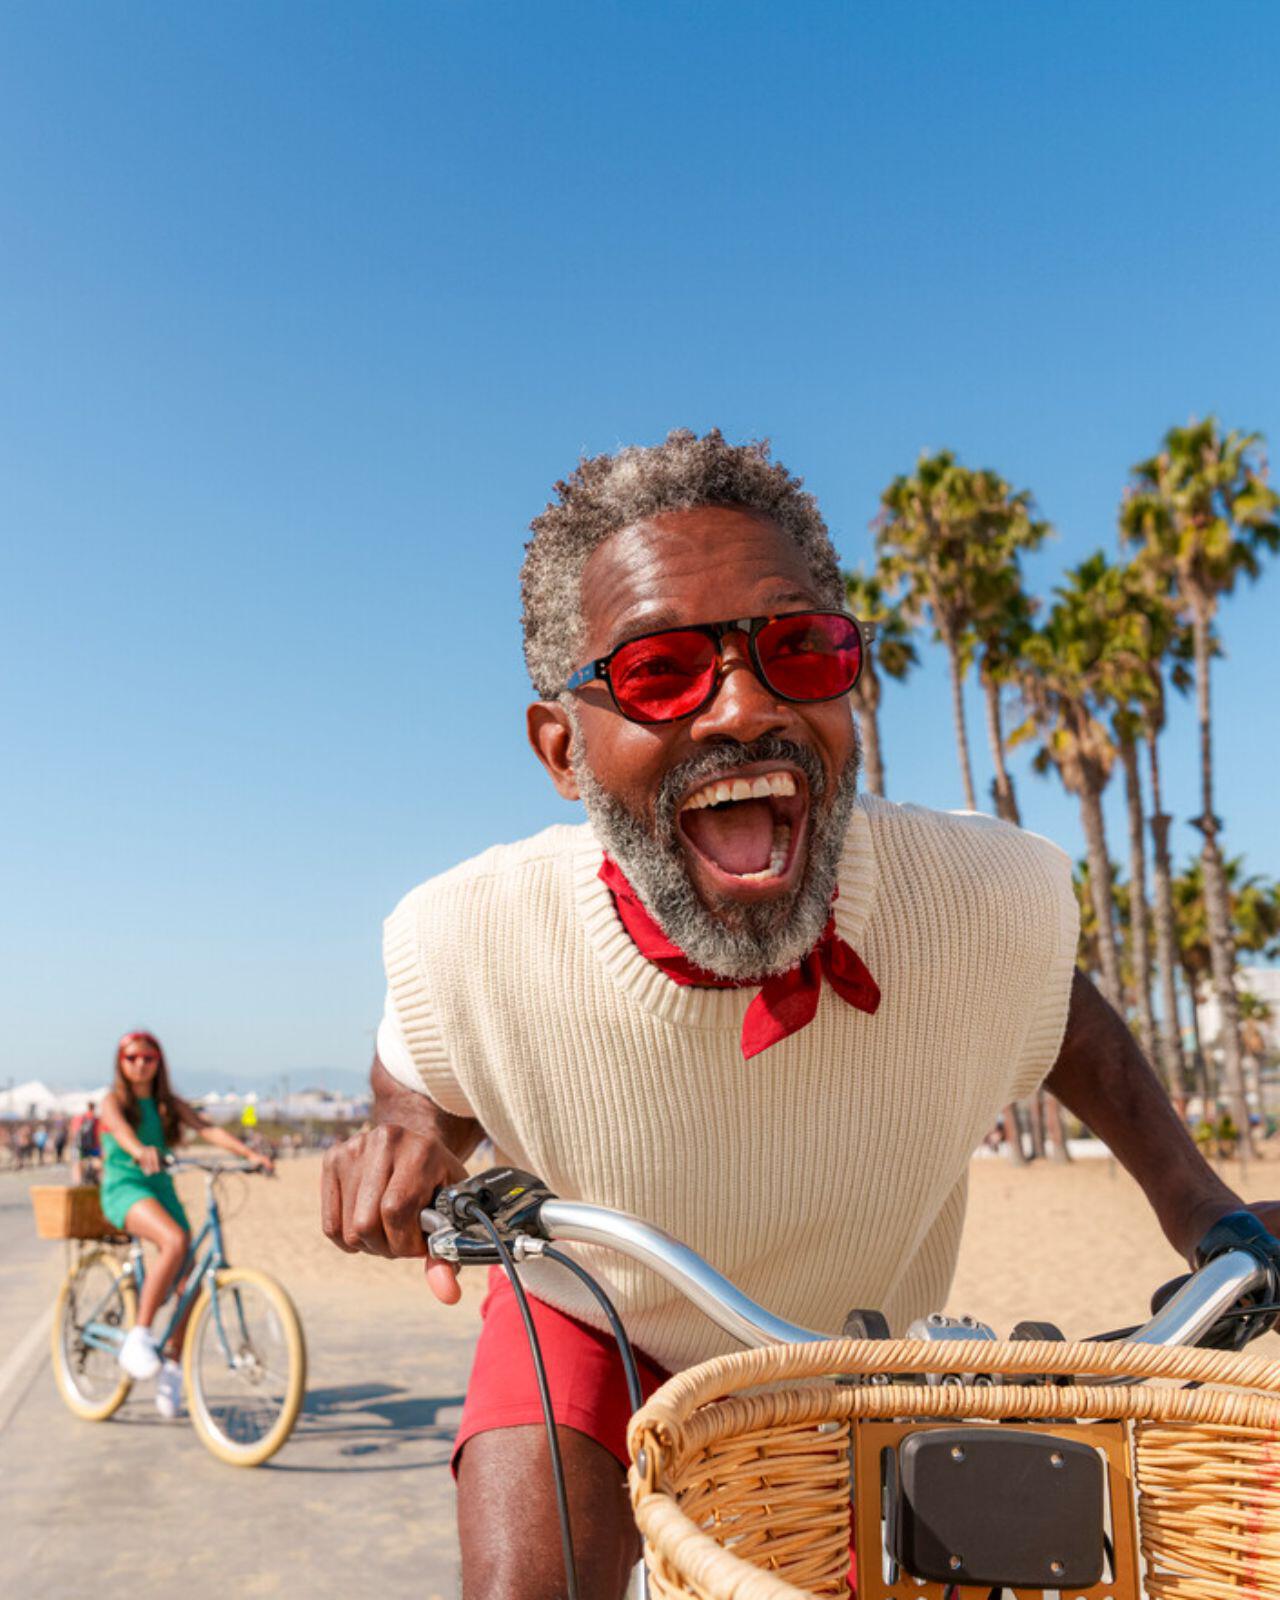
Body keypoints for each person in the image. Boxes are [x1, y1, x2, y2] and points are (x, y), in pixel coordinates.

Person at [321, 430, 1280, 1600]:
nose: (742, 708)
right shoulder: (462, 933)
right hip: (596, 1322)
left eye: (797, 650)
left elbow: (1061, 1016)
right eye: (662, 672)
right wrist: (410, 1136)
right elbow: (419, 1071)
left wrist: (1206, 1212)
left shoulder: (986, 897)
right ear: (560, 748)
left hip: (855, 1345)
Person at [98, 1031, 271, 1418]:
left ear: (159, 1062)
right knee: (175, 1240)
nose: (140, 1064)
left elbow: (205, 1128)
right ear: (120, 1064)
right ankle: (139, 1335)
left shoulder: (166, 1103)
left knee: (190, 1277)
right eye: (132, 1058)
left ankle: (173, 1367)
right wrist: (140, 1150)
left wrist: (249, 1154)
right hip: (126, 1185)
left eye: (148, 1057)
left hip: (161, 1185)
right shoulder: (114, 1102)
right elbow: (122, 1134)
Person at [71, 1100, 101, 1185]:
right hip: (94, 1145)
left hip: (79, 1146)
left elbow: (74, 1132)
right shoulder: (96, 1119)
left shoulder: (79, 1118)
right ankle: (98, 1183)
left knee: (77, 1164)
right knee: (97, 1164)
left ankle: (78, 1184)